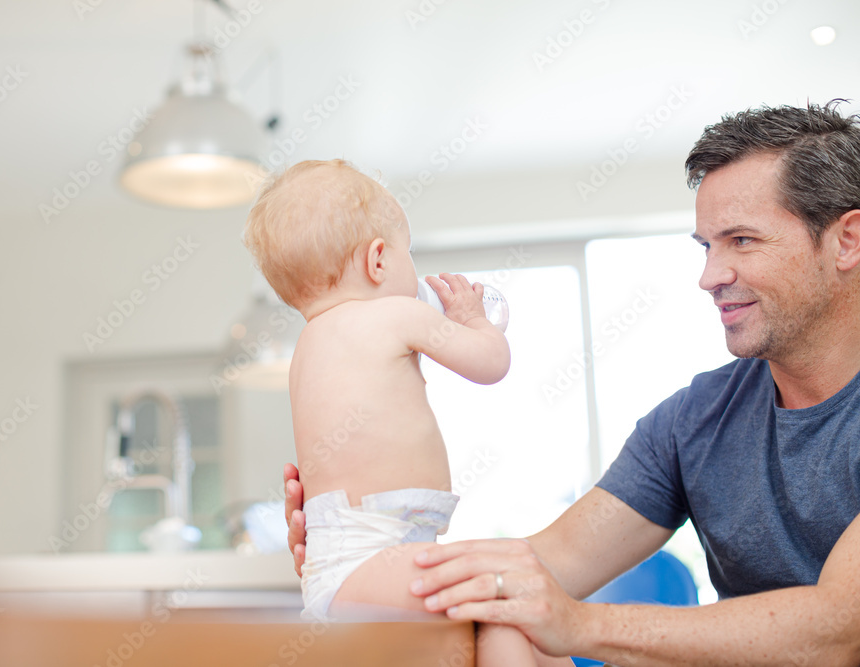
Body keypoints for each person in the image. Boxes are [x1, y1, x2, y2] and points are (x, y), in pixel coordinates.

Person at [282, 101, 860, 665]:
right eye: (706, 246)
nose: (709, 276)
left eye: (743, 240)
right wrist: (361, 567)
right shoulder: (695, 423)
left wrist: (576, 624)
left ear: (846, 240)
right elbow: (544, 565)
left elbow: (841, 633)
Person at [243, 159, 573, 666]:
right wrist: (472, 319)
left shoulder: (308, 348)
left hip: (339, 569)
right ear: (379, 260)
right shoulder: (396, 314)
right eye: (408, 252)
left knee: (501, 618)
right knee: (506, 602)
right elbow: (489, 363)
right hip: (375, 555)